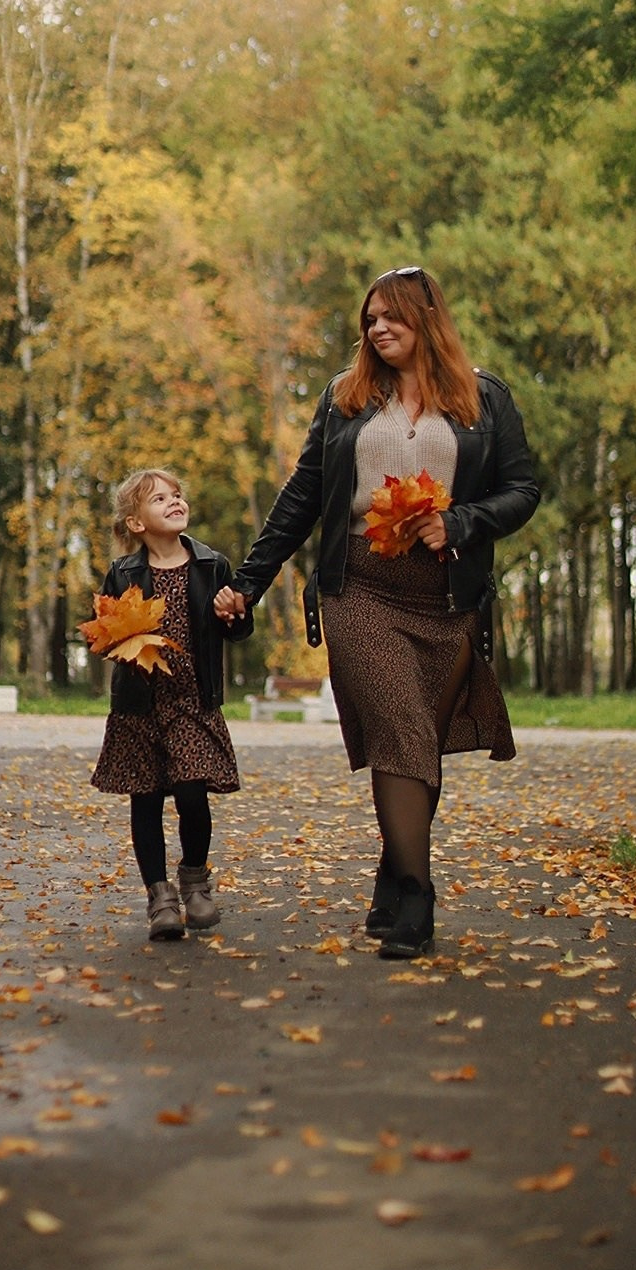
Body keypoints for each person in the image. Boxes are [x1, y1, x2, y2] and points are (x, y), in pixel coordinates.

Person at [215, 268, 539, 959]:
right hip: (359, 590)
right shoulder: (347, 398)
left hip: (447, 598)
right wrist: (249, 582)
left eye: (391, 317)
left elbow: (523, 489)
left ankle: (393, 876)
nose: (377, 330)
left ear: (428, 320)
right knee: (399, 722)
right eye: (369, 320)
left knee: (418, 740)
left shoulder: (484, 399)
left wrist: (464, 522)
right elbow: (302, 497)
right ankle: (419, 897)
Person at [91, 469, 252, 942]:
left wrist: (234, 614)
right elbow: (105, 633)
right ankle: (159, 895)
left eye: (177, 494)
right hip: (140, 705)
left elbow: (237, 629)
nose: (173, 502)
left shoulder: (211, 565)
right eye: (159, 499)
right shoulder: (124, 573)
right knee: (145, 799)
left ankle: (195, 882)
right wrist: (115, 633)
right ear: (136, 523)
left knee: (191, 793)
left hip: (192, 700)